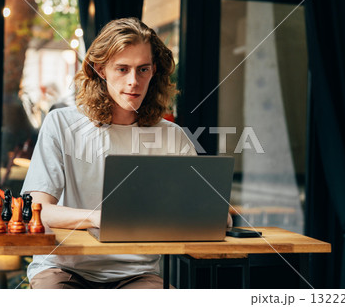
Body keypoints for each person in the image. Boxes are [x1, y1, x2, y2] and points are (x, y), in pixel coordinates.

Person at [21, 17, 228, 289]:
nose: (134, 81)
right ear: (100, 69)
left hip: (137, 275)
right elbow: (38, 211)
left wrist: (213, 215)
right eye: (122, 69)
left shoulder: (171, 136)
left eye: (143, 69)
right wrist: (99, 217)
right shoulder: (61, 124)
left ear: (154, 71)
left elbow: (219, 217)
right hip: (64, 269)